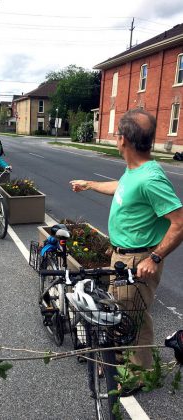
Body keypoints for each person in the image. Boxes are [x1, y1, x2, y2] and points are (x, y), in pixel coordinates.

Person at [70, 108, 183, 373]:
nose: (116, 137)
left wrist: (155, 258)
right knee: (122, 310)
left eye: (118, 133)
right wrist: (89, 184)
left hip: (138, 259)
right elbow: (120, 187)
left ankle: (138, 374)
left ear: (123, 140)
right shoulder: (134, 171)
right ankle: (122, 356)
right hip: (122, 255)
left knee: (136, 317)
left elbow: (179, 222)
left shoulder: (150, 179)